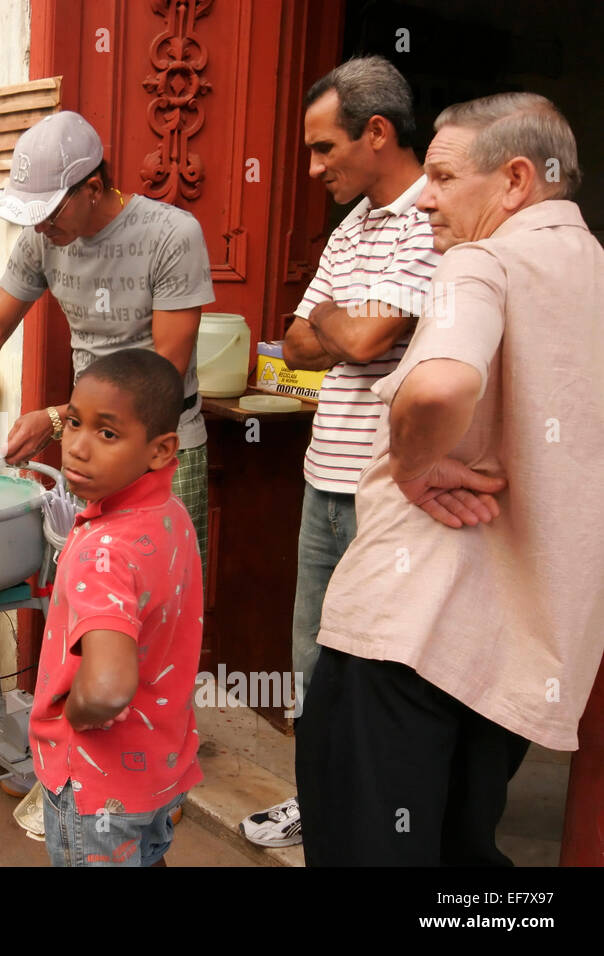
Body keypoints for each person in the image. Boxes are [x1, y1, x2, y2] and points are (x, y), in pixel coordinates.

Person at [296, 92, 604, 865]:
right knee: (462, 844)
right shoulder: (593, 269)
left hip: (412, 630)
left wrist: (413, 463)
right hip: (519, 636)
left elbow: (437, 386)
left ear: (516, 181)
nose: (425, 197)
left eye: (441, 177)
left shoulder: (479, 261)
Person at [242, 55, 441, 848]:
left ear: (379, 133)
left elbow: (356, 336)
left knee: (381, 676)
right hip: (323, 477)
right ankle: (318, 805)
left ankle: (373, 825)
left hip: (389, 492)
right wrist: (338, 327)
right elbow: (295, 342)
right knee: (312, 667)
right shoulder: (352, 227)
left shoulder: (435, 216)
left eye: (325, 149)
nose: (314, 167)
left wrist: (336, 325)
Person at [0, 111, 214, 584]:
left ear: (94, 189)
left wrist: (60, 419)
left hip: (161, 446)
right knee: (89, 593)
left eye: (49, 213)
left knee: (161, 598)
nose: (39, 227)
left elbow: (164, 372)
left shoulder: (171, 235)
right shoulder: (42, 241)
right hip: (86, 441)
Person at [30, 348, 203, 867]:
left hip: (94, 785)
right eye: (74, 423)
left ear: (160, 449)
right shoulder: (170, 515)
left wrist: (73, 717)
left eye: (107, 434)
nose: (77, 449)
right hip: (158, 768)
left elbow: (106, 688)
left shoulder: (102, 552)